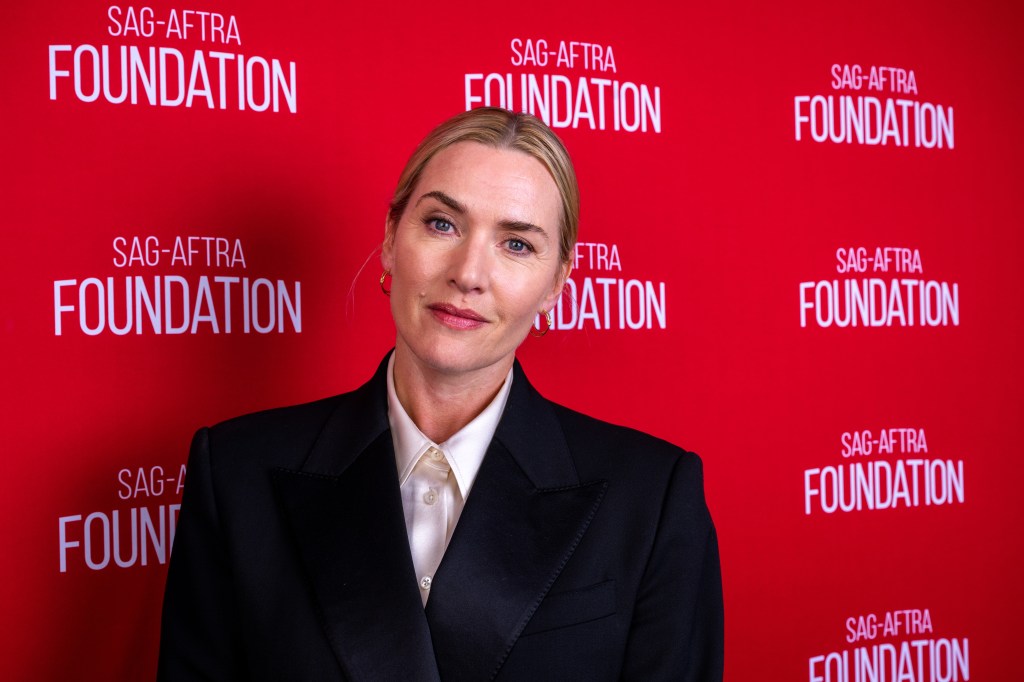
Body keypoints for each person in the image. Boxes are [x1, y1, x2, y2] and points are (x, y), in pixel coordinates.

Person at [158, 107, 724, 681]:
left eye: (517, 244)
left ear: (556, 282)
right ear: (390, 238)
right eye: (442, 224)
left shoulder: (652, 499)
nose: (468, 273)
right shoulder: (236, 473)